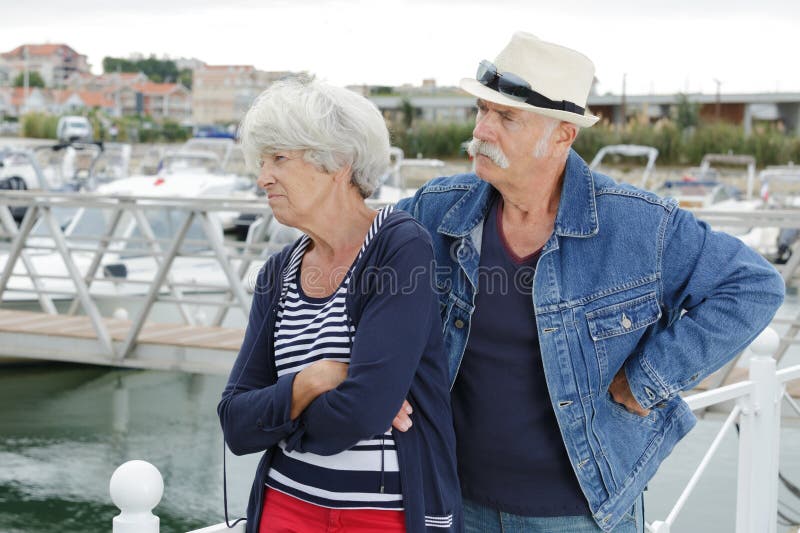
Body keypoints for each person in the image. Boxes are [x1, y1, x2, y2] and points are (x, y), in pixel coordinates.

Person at [395, 32, 785, 532]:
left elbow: (753, 287)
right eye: (481, 110)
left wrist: (647, 381)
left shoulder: (641, 225)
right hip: (452, 503)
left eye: (506, 117)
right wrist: (377, 378)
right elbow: (361, 265)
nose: (482, 130)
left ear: (562, 135)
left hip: (582, 515)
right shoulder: (438, 206)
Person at [217, 76, 462, 533]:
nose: (262, 176)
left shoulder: (399, 248)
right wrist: (313, 380)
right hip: (283, 508)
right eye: (262, 160)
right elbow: (235, 423)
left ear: (339, 163)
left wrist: (282, 415)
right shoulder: (278, 272)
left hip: (384, 516)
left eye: (279, 159)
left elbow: (362, 411)